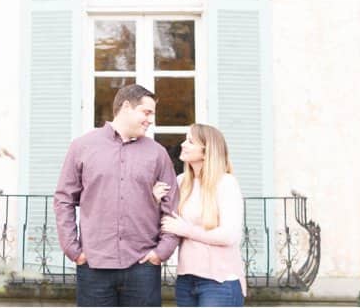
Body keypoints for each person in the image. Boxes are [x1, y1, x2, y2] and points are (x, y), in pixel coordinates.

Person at [54, 84, 180, 307]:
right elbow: (64, 200)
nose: (151, 120)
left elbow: (172, 207)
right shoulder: (82, 147)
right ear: (126, 107)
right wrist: (73, 250)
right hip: (94, 266)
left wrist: (161, 252)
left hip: (143, 267)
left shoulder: (157, 153)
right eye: (146, 112)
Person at [153, 123, 246, 307]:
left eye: (190, 141)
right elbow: (165, 225)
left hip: (219, 282)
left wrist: (187, 230)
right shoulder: (180, 182)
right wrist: (155, 201)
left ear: (206, 151)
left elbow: (229, 235)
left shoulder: (226, 183)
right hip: (186, 281)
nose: (183, 144)